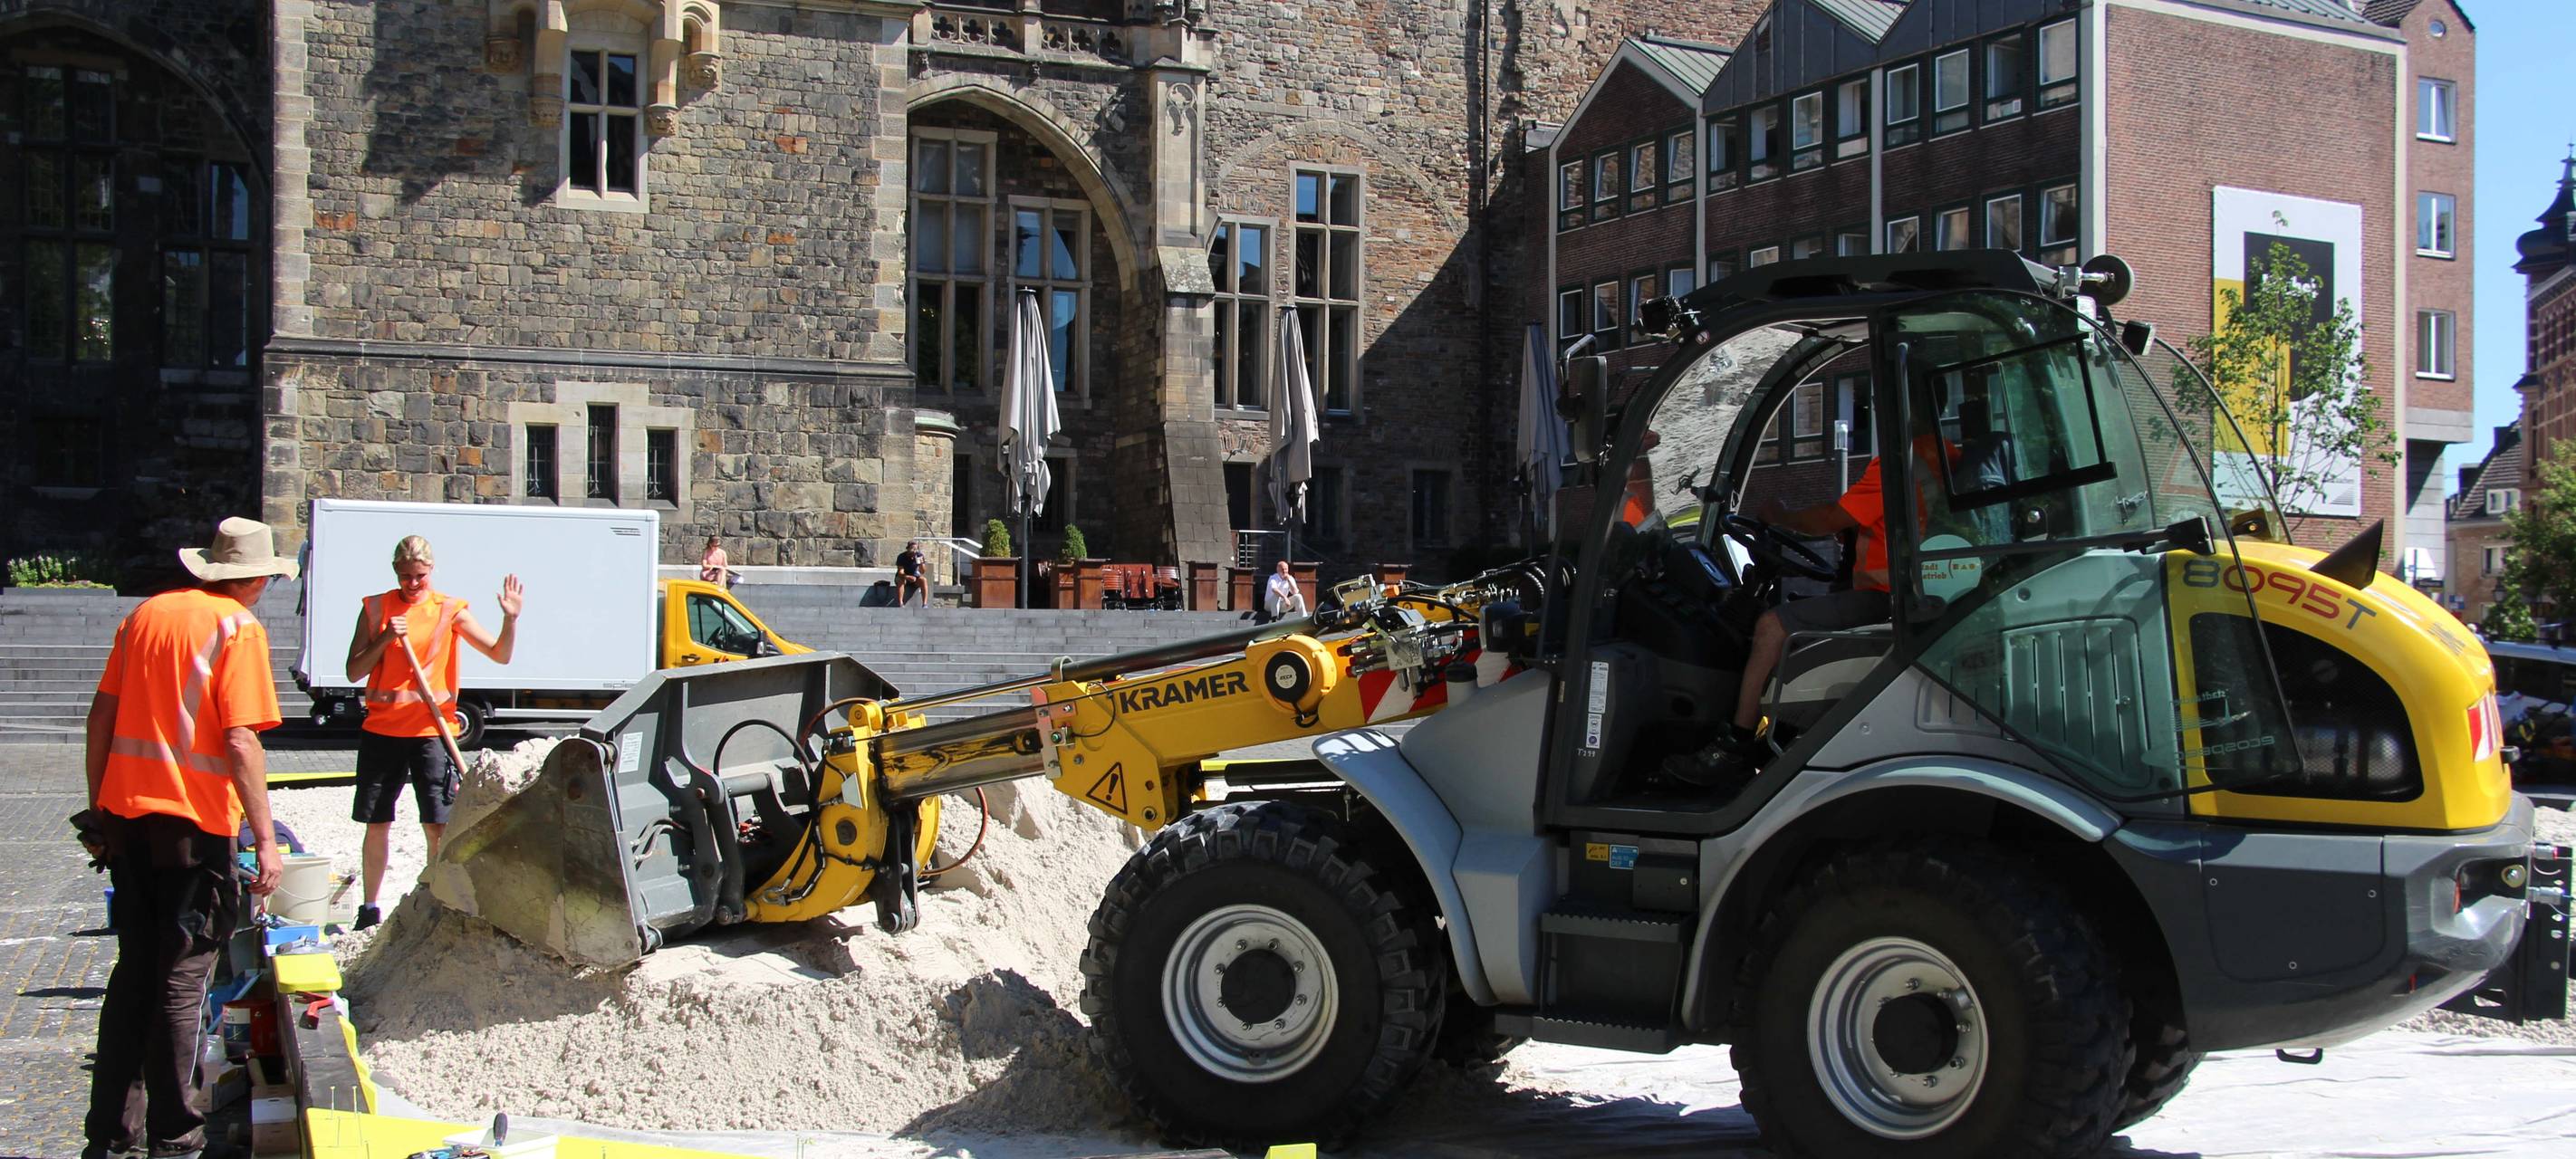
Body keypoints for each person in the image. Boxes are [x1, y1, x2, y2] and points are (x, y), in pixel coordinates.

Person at [79, 517, 293, 1159]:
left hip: (128, 823)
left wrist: (98, 814)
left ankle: (112, 1138)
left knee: (134, 977)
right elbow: (239, 740)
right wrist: (267, 839)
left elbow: (102, 718)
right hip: (195, 831)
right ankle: (175, 1138)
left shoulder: (148, 614)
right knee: (183, 979)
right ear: (254, 581)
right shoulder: (238, 628)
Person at [1686, 431, 1956, 786]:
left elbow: (1827, 519)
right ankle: (1774, 733)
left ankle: (1736, 743)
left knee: (1771, 626)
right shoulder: (1945, 457)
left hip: (1885, 596)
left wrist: (1780, 515)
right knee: (1795, 613)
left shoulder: (1897, 465)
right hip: (1909, 594)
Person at [341, 535, 524, 930]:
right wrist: (386, 638)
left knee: (437, 823)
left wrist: (510, 619)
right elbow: (354, 671)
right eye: (405, 576)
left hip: (430, 731)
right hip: (381, 731)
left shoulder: (448, 611)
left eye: (419, 576)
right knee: (377, 821)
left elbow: (500, 655)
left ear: (431, 571)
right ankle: (369, 908)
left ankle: (437, 901)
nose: (412, 584)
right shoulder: (375, 609)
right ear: (395, 572)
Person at [1259, 560, 1308, 625]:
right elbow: (1274, 589)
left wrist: (1289, 581)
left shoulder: (1290, 578)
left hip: (1282, 605)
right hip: (1269, 605)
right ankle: (1274, 620)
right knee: (1276, 595)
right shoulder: (1273, 578)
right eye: (1282, 569)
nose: (1284, 571)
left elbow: (1295, 592)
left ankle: (1304, 620)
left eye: (1286, 569)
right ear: (1278, 570)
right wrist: (1285, 597)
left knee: (1298, 596)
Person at [895, 541, 928, 608]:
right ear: (908, 549)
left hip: (915, 577)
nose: (914, 551)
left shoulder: (919, 555)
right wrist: (907, 577)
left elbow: (922, 571)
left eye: (916, 549)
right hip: (903, 576)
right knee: (900, 580)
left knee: (923, 580)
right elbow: (900, 572)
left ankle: (924, 604)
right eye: (912, 549)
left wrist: (921, 564)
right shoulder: (901, 557)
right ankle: (901, 603)